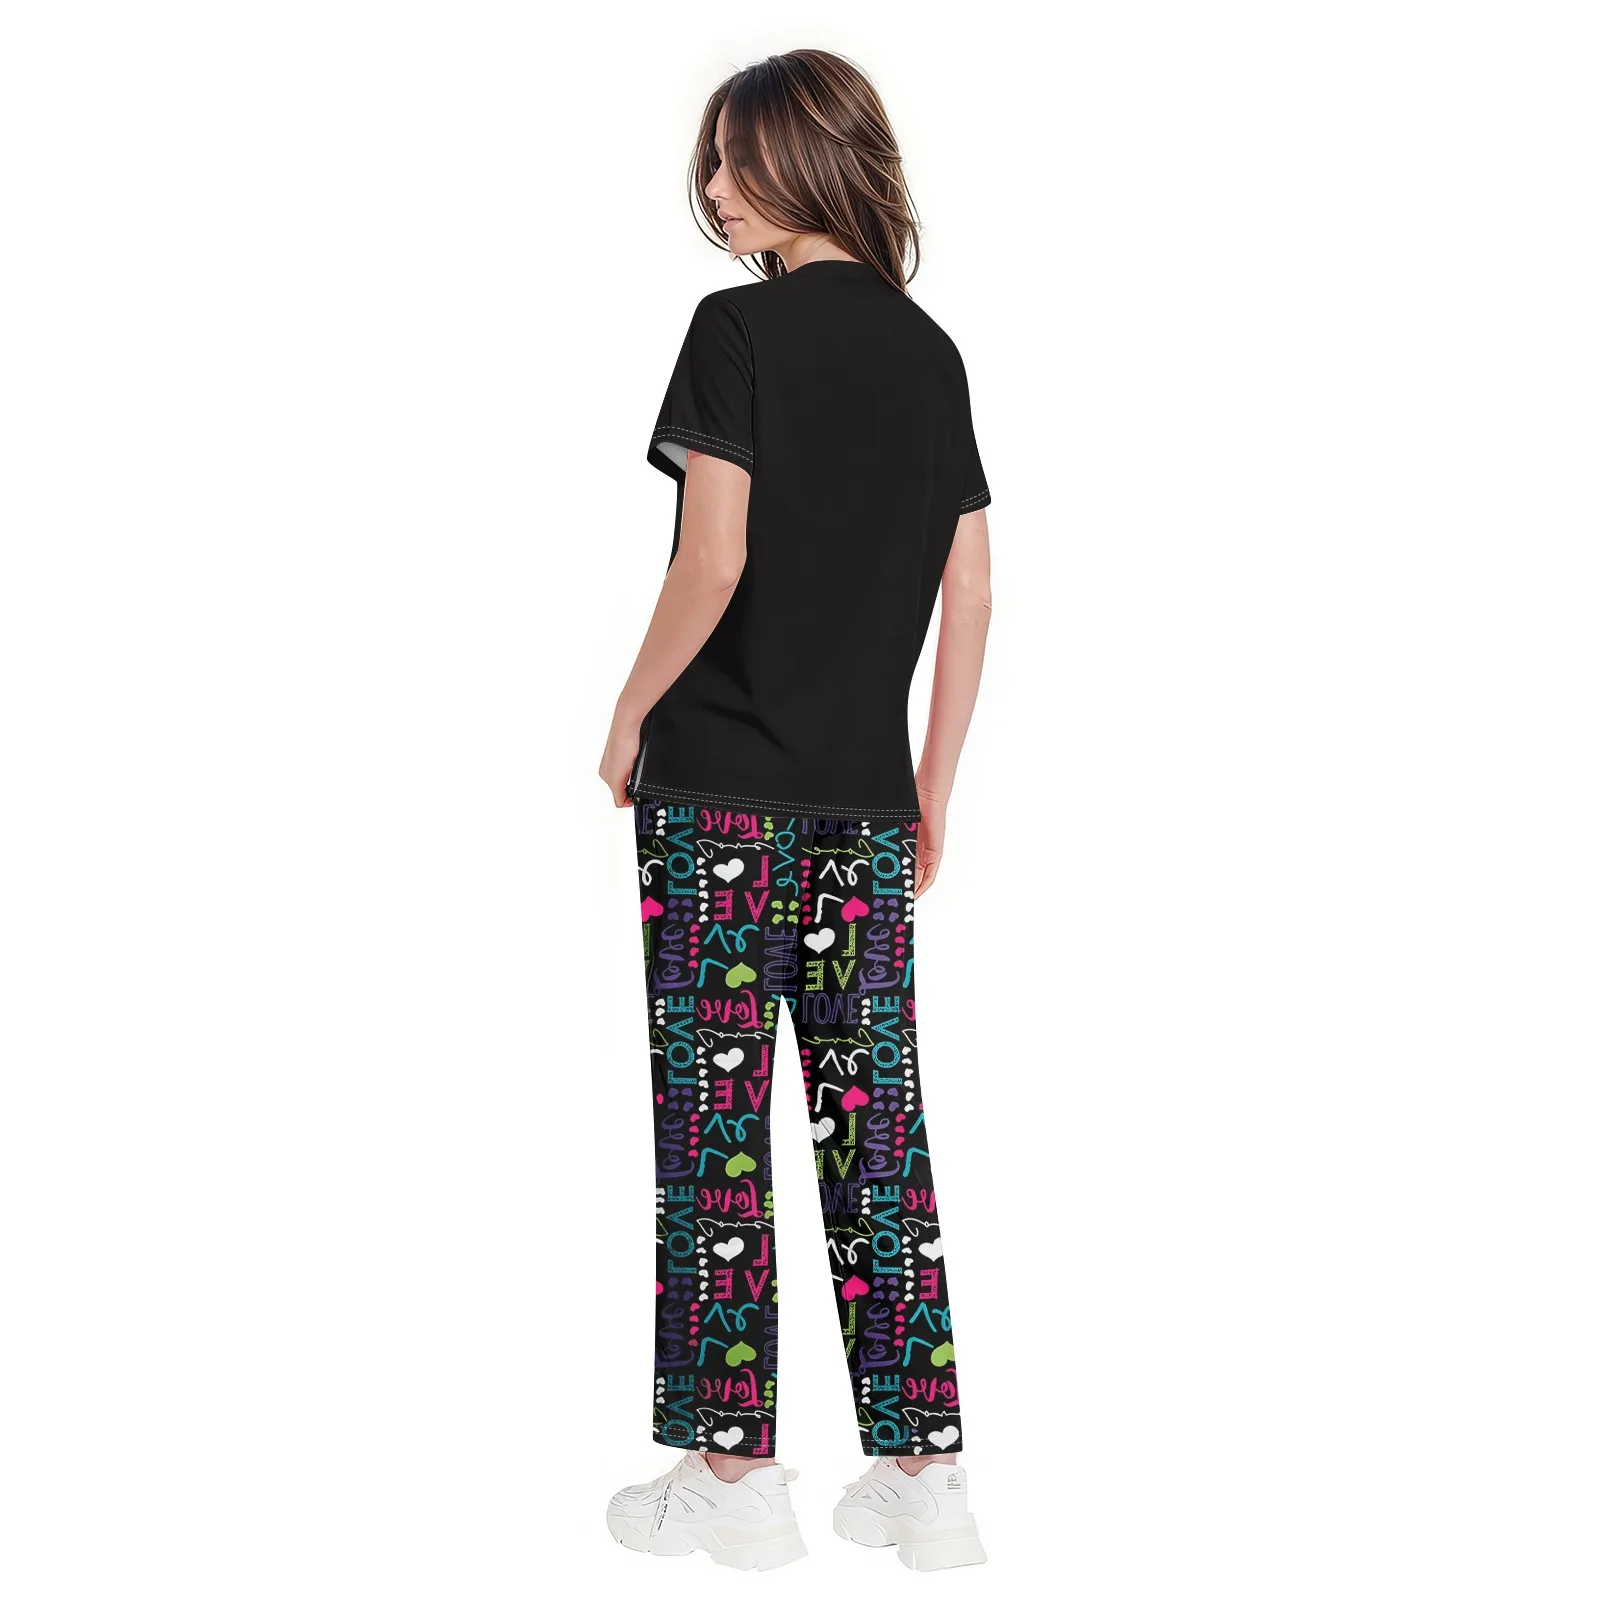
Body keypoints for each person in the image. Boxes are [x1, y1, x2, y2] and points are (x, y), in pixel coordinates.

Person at [597, 49, 992, 1573]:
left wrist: (629, 711)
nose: (714, 190)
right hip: (864, 806)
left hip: (717, 794)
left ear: (809, 158)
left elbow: (714, 559)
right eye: (709, 162)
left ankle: (734, 1475)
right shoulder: (931, 354)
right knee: (874, 1121)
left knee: (717, 1134)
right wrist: (930, 787)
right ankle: (923, 1476)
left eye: (735, 159)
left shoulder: (737, 330)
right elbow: (970, 589)